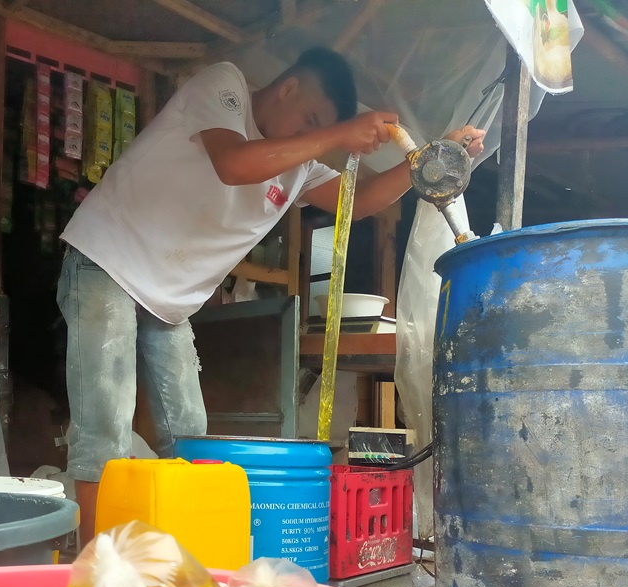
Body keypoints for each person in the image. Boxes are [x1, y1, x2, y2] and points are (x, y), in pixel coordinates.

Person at [58, 47, 486, 546]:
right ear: (287, 88)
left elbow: (361, 201)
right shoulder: (223, 89)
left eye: (318, 127)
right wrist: (332, 136)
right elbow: (234, 164)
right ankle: (91, 565)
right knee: (105, 426)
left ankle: (181, 557)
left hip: (167, 299)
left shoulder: (299, 163)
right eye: (309, 118)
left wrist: (434, 157)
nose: (310, 134)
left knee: (191, 438)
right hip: (108, 257)